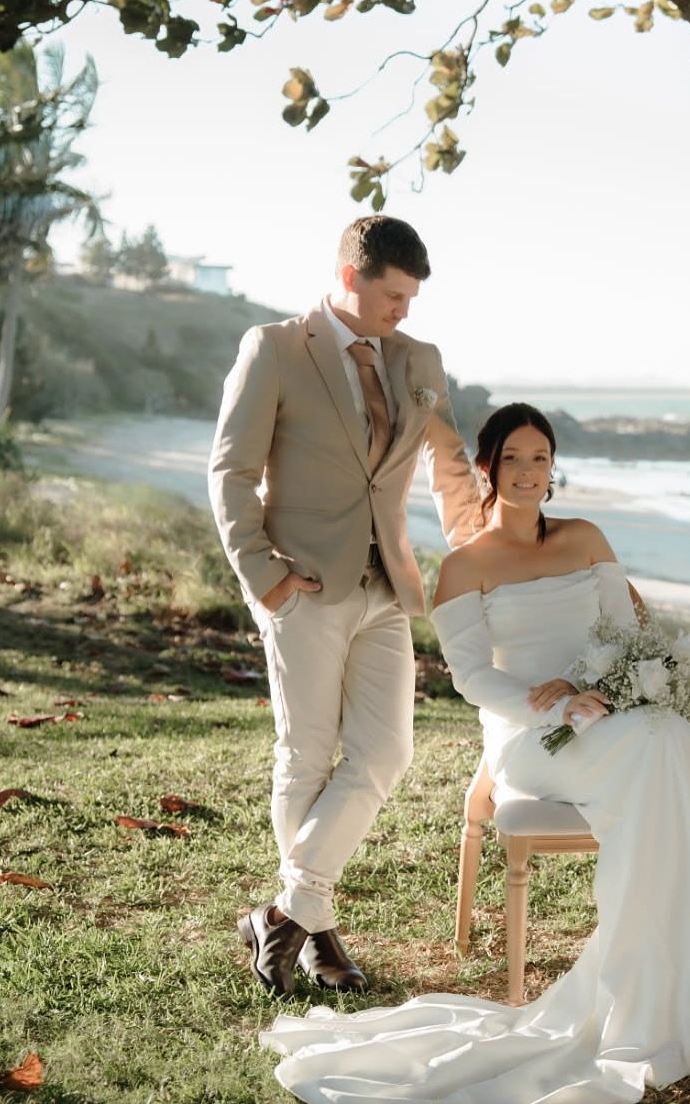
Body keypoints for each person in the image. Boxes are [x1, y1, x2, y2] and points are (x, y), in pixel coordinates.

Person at [258, 402, 690, 1104]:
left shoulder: (585, 537)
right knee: (666, 744)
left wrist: (594, 688)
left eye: (541, 458)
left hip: (612, 718)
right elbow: (472, 677)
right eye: (514, 458)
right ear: (488, 467)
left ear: (554, 469)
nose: (528, 472)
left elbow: (623, 633)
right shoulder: (463, 564)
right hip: (530, 739)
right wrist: (554, 703)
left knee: (663, 742)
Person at [208, 216, 482, 999]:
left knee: (386, 750)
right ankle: (319, 935)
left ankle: (284, 912)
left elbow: (451, 465)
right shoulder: (276, 349)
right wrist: (265, 574)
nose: (405, 310)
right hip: (305, 585)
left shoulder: (417, 359)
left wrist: (487, 546)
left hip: (386, 587)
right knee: (307, 754)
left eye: (412, 297)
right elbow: (230, 472)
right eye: (395, 294)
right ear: (351, 276)